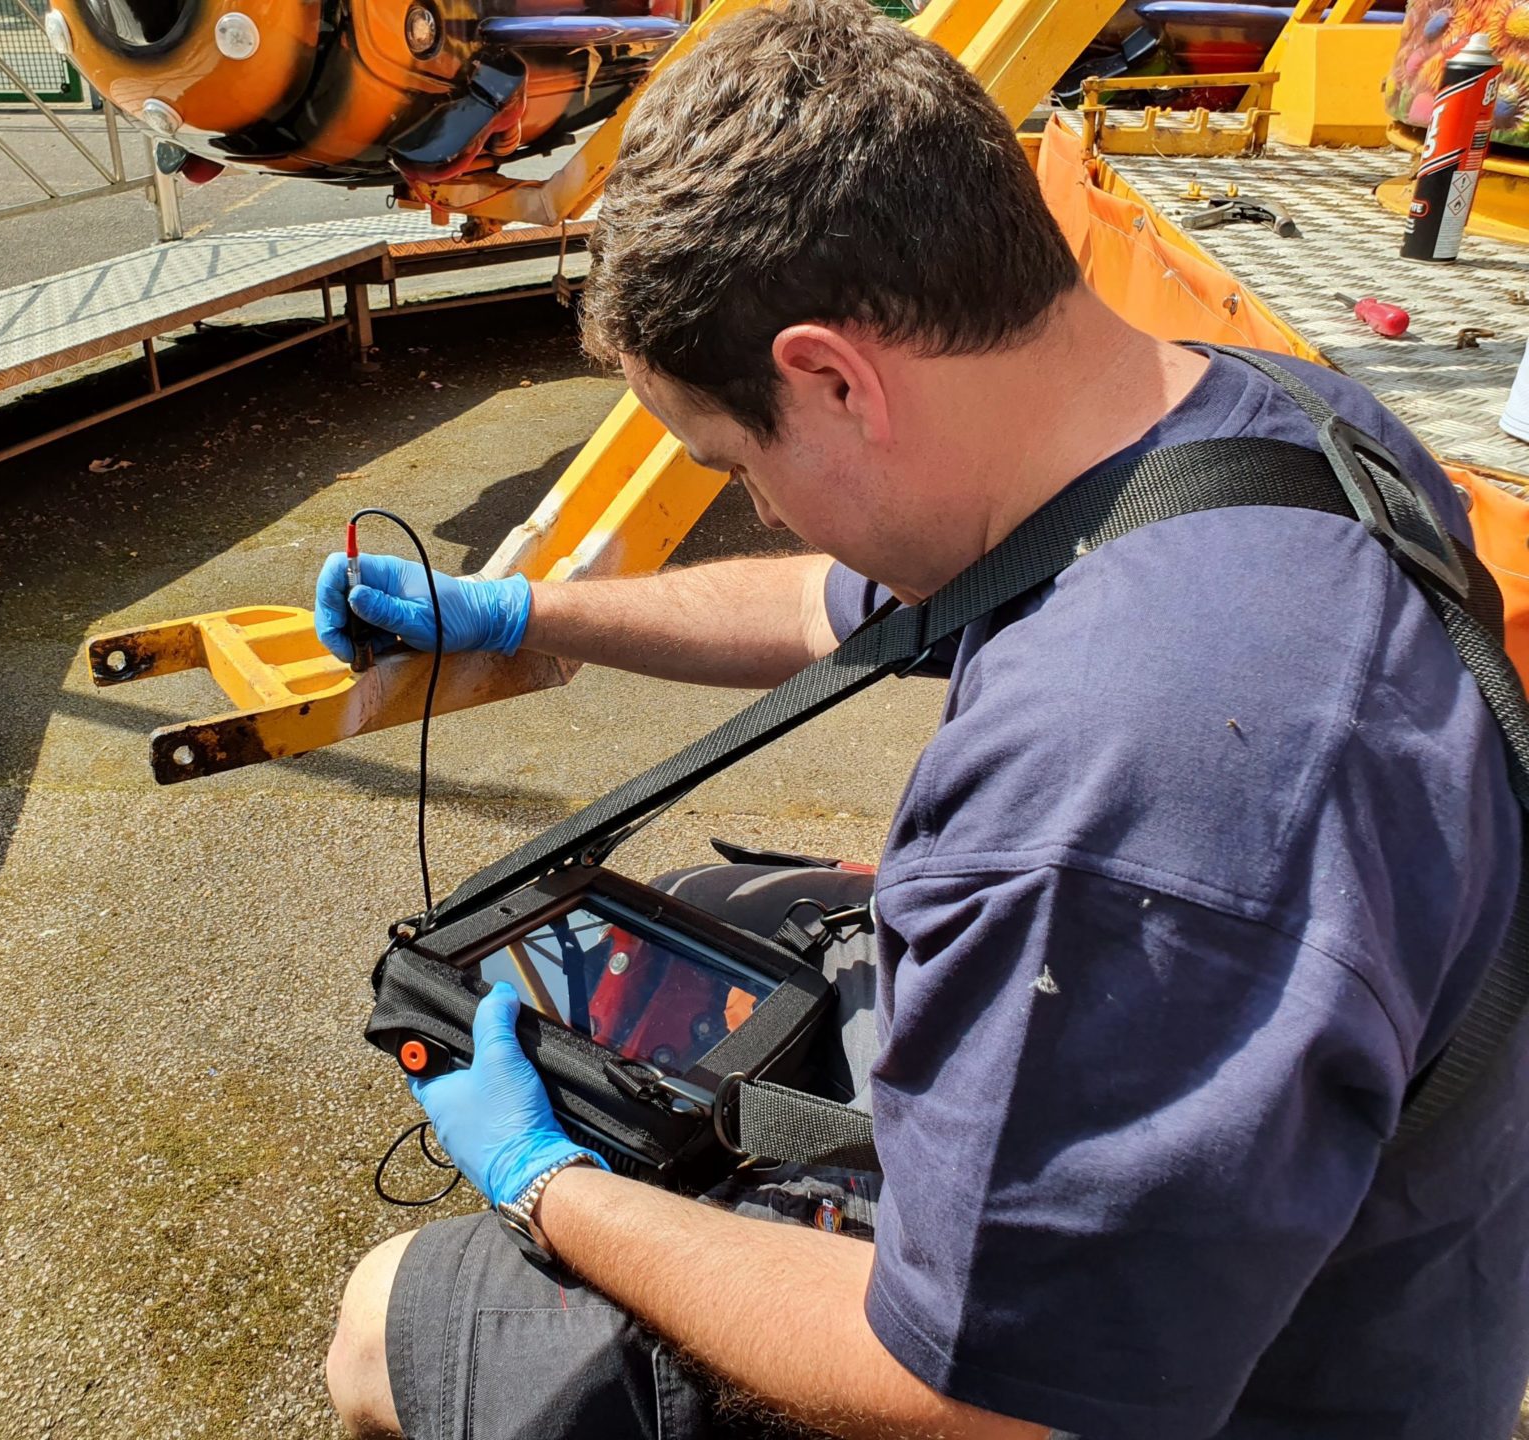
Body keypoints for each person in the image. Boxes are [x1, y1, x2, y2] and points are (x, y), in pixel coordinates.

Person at [312, 2, 1529, 1436]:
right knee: (714, 909)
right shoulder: (1266, 422)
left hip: (1235, 1393)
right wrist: (527, 614)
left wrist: (547, 1187)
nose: (755, 509)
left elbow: (971, 1398)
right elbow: (834, 607)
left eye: (732, 462)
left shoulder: (1105, 799)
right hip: (1398, 1244)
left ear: (834, 378)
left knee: (389, 1318)